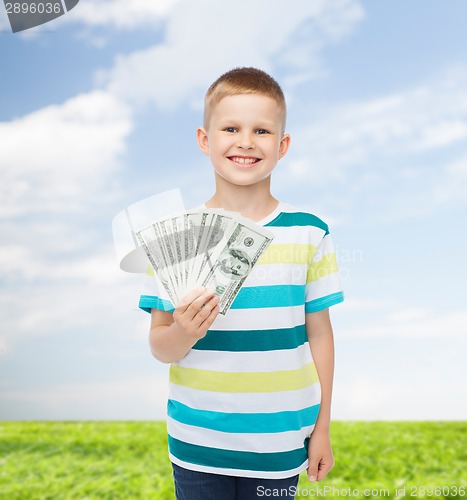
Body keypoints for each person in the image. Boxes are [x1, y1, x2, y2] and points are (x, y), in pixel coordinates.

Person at [139, 67, 344, 499]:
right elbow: (159, 346)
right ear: (204, 139)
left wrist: (322, 426)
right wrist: (182, 332)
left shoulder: (310, 232)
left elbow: (320, 334)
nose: (246, 141)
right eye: (230, 127)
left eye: (262, 130)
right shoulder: (176, 236)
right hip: (197, 443)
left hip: (280, 443)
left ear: (282, 145)